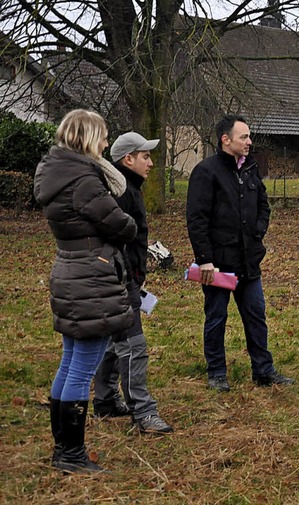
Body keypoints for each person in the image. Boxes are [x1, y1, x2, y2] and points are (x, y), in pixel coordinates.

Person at [34, 109, 137, 473]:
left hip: (69, 271)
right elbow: (123, 226)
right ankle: (71, 454)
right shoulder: (85, 181)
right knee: (82, 367)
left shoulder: (55, 173)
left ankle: (64, 449)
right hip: (90, 278)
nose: (107, 142)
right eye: (104, 136)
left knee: (70, 361)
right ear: (89, 137)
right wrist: (129, 222)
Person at [186, 115, 294, 392]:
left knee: (256, 316)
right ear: (226, 139)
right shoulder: (206, 172)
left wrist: (257, 232)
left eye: (249, 136)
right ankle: (217, 373)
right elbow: (196, 219)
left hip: (249, 261)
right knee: (216, 318)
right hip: (219, 265)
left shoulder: (250, 169)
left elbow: (263, 206)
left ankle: (263, 371)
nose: (249, 141)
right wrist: (204, 260)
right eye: (244, 137)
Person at [93, 132, 173, 434]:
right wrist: (128, 278)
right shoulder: (121, 191)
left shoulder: (128, 188)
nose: (151, 163)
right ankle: (144, 413)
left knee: (115, 343)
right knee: (133, 345)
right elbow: (117, 241)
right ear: (128, 159)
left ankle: (105, 400)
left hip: (124, 279)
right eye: (145, 156)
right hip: (118, 281)